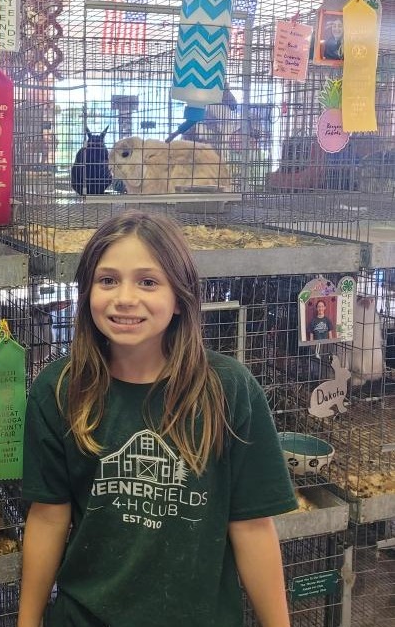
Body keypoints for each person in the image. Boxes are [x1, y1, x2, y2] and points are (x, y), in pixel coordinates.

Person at [19, 211, 297, 627]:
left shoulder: (229, 389)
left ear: (180, 298)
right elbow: (48, 517)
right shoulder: (58, 390)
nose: (125, 298)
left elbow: (253, 528)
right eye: (107, 279)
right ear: (86, 292)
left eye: (148, 282)